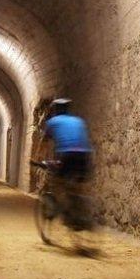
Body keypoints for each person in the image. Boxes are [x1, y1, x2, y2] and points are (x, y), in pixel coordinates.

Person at [39, 98, 94, 231]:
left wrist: (39, 158)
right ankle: (79, 212)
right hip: (84, 156)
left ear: (55, 110)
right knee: (77, 184)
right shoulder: (78, 121)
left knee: (57, 181)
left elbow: (43, 142)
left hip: (66, 155)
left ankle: (61, 211)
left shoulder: (52, 122)